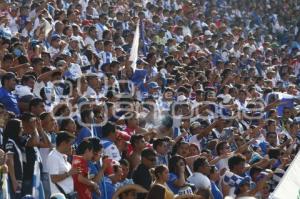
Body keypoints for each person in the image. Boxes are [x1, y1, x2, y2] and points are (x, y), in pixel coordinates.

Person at [47, 132, 79, 197]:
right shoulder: (53, 157)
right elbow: (54, 179)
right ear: (63, 144)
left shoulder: (63, 156)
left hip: (68, 195)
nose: (72, 147)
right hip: (59, 196)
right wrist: (69, 173)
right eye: (70, 144)